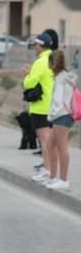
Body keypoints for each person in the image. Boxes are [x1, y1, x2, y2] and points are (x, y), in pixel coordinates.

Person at [44, 50, 77, 190]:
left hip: (61, 116)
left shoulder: (60, 79)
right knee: (50, 145)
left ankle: (63, 180)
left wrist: (51, 116)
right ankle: (53, 176)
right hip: (64, 115)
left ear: (52, 62)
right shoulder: (65, 76)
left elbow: (58, 102)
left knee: (61, 147)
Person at [28, 34, 58, 184]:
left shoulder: (41, 62)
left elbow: (30, 83)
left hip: (41, 106)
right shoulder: (53, 58)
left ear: (40, 45)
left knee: (44, 141)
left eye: (36, 45)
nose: (35, 47)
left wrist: (27, 76)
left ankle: (48, 171)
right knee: (50, 140)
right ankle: (50, 171)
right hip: (52, 105)